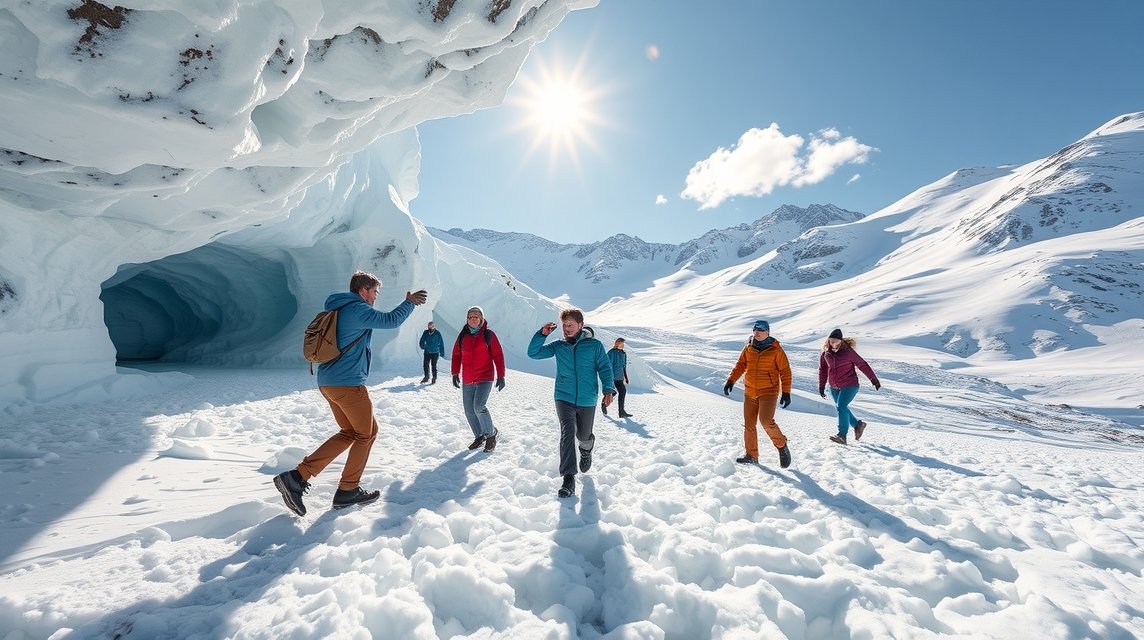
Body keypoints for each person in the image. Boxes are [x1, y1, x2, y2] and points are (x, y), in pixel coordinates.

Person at [275, 271, 427, 516]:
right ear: (363, 290)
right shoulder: (357, 310)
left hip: (329, 382)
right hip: (347, 383)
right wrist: (409, 303)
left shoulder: (339, 309)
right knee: (366, 434)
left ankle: (298, 478)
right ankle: (346, 490)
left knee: (351, 432)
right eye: (375, 292)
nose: (375, 297)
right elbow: (390, 321)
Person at [528, 308, 615, 498]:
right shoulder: (559, 346)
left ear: (581, 325)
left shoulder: (594, 346)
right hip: (563, 396)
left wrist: (608, 389)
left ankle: (586, 448)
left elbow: (605, 368)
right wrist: (541, 335)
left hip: (587, 398)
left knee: (583, 435)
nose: (567, 329)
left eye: (571, 325)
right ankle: (568, 478)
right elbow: (533, 353)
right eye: (564, 325)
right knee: (567, 432)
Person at [723, 319, 792, 469]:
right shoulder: (748, 348)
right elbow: (740, 365)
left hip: (769, 391)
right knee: (749, 424)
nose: (758, 332)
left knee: (766, 421)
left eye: (761, 330)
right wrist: (731, 380)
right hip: (750, 391)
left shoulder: (776, 350)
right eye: (755, 330)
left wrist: (786, 392)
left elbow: (785, 372)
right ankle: (751, 455)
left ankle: (781, 444)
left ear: (768, 332)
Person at [451, 306, 506, 452]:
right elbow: (457, 355)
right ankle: (479, 436)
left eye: (476, 316)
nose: (473, 319)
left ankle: (491, 434)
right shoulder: (463, 336)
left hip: (485, 377)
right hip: (468, 378)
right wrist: (455, 372)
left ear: (481, 318)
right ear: (467, 319)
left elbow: (498, 355)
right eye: (470, 316)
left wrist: (501, 375)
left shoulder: (488, 335)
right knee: (469, 410)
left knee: (479, 407)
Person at [818, 328, 881, 445]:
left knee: (841, 406)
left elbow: (862, 365)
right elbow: (823, 370)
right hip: (834, 386)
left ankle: (842, 435)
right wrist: (821, 386)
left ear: (841, 341)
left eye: (836, 341)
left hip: (850, 385)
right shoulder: (826, 353)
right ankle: (858, 425)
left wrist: (874, 379)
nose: (833, 343)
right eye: (831, 341)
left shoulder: (848, 352)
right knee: (841, 408)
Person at [603, 338, 632, 418]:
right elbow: (609, 366)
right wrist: (610, 378)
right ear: (617, 344)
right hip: (612, 377)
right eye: (621, 344)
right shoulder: (612, 353)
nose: (623, 346)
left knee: (622, 392)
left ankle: (621, 412)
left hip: (620, 378)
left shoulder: (623, 354)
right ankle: (604, 403)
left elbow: (624, 366)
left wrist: (626, 377)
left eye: (623, 344)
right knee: (613, 392)